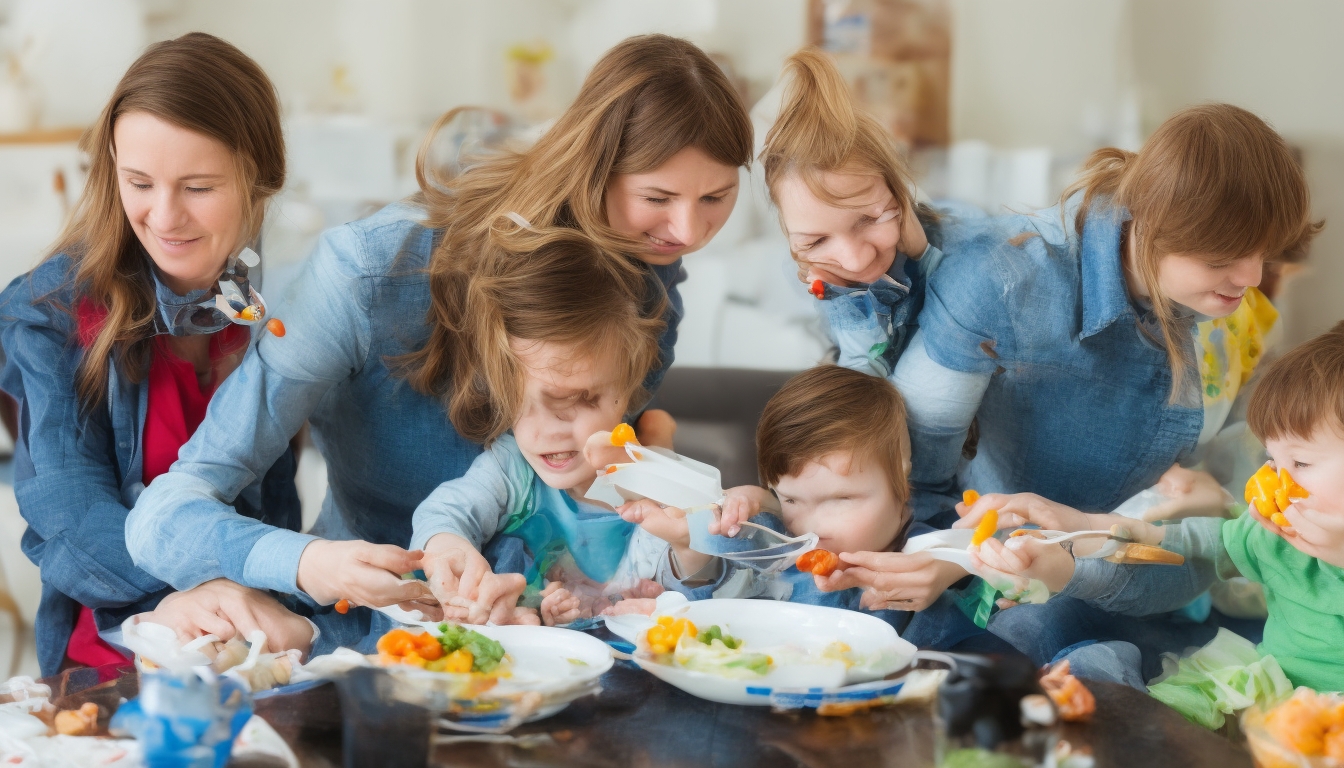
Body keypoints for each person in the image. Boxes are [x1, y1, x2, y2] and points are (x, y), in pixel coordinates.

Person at [127, 34, 754, 624]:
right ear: (591, 166)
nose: (689, 234)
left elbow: (602, 501)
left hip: (561, 640)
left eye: (716, 199)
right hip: (371, 635)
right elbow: (166, 517)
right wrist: (308, 563)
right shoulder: (366, 274)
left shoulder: (648, 288)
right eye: (657, 196)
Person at [0, 33, 316, 676]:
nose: (164, 216)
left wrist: (286, 609)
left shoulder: (258, 317)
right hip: (110, 670)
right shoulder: (52, 313)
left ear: (261, 182)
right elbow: (68, 510)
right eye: (139, 182)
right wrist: (190, 596)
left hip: (245, 667)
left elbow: (275, 511)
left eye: (198, 186)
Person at [970, 320, 1344, 698]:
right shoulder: (1272, 534)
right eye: (1272, 460)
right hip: (1274, 695)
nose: (1275, 480)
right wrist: (1083, 538)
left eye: (1301, 463)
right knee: (1100, 667)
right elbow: (1189, 553)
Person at [409, 228, 713, 627]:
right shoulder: (512, 468)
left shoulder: (651, 482)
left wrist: (691, 555)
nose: (545, 433)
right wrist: (449, 547)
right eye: (519, 407)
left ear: (628, 387)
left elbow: (700, 578)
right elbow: (449, 509)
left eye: (576, 402)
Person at [613, 365, 1011, 652]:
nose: (812, 523)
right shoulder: (779, 544)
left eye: (841, 499)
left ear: (903, 483)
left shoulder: (930, 553)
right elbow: (712, 610)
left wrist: (959, 565)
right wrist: (690, 546)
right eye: (790, 499)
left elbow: (1002, 576)